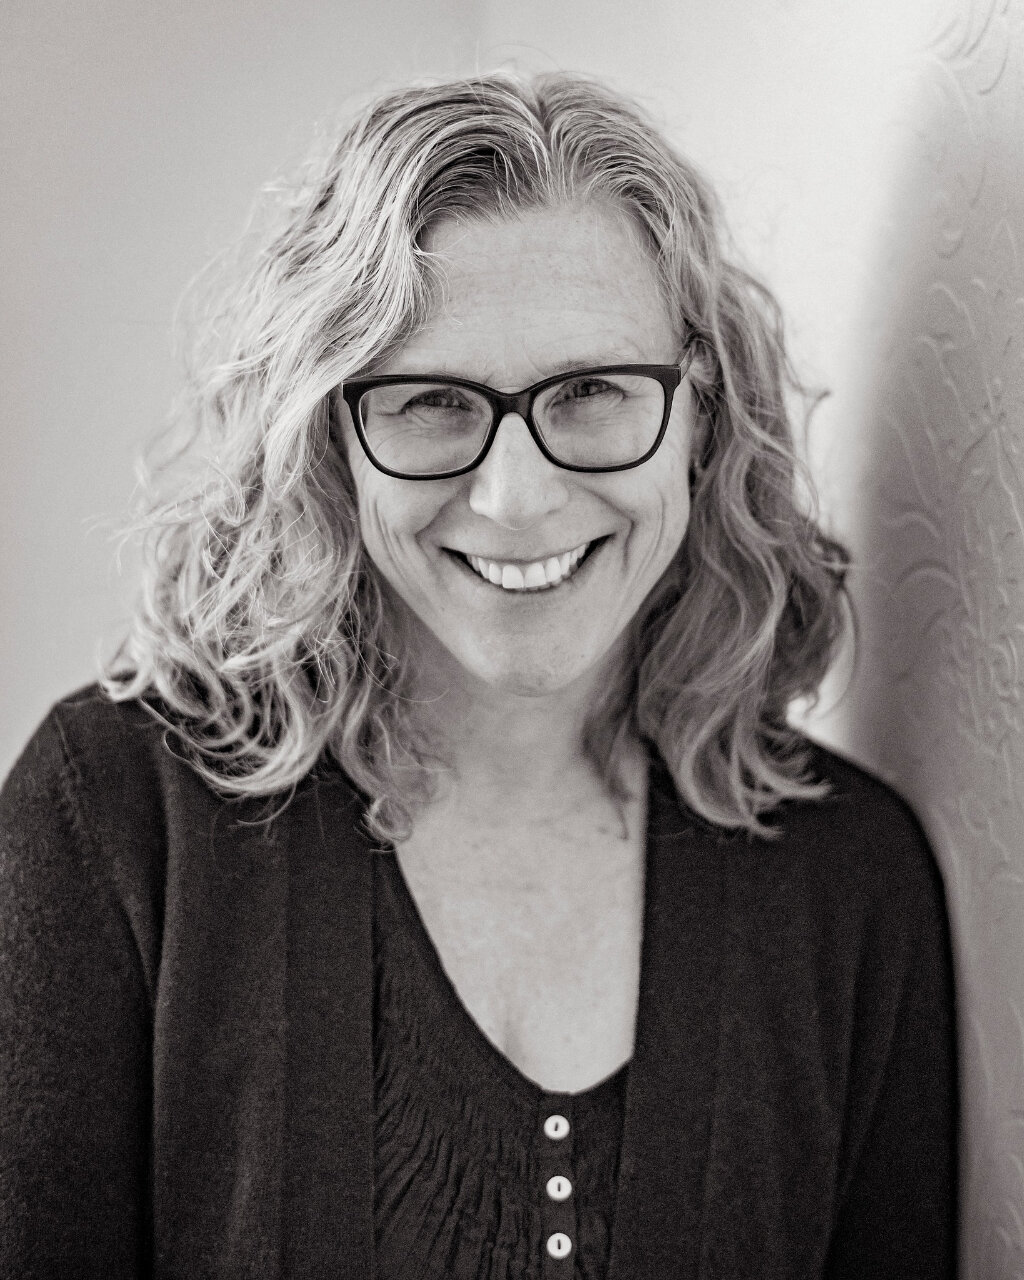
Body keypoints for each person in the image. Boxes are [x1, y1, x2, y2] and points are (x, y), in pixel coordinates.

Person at [0, 71, 958, 1278]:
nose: (514, 498)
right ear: (328, 438)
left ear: (699, 412)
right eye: (431, 402)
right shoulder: (112, 819)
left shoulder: (849, 886)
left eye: (594, 392)